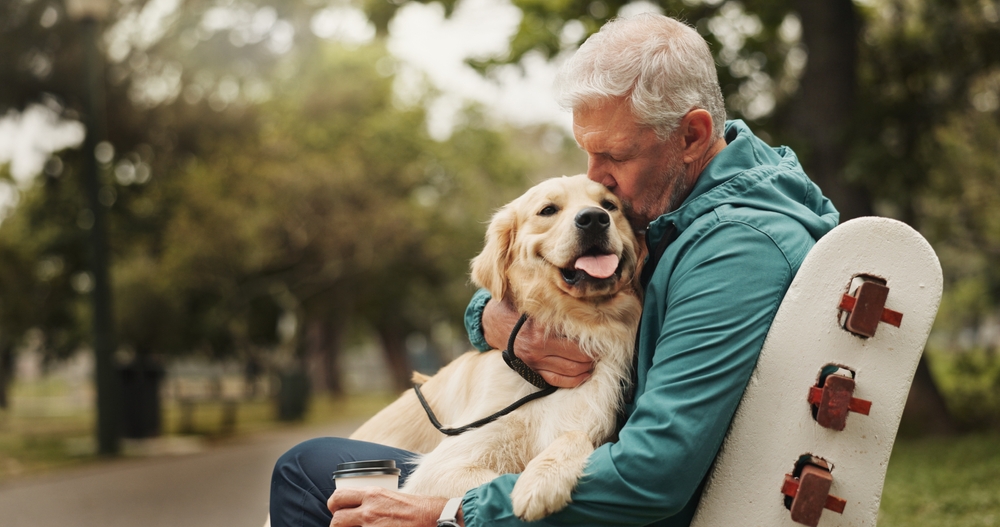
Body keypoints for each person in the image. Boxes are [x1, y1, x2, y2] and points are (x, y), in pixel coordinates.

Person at [270, 12, 839, 527]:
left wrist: (451, 512)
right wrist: (495, 321)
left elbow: (654, 472)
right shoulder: (683, 210)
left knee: (304, 473)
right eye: (587, 153)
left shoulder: (734, 250)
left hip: (612, 507)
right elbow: (530, 277)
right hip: (581, 482)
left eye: (614, 156)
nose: (597, 178)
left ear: (691, 135)